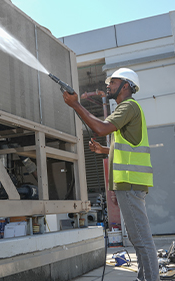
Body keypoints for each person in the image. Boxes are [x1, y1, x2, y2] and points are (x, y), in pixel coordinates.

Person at [62, 68, 159, 281]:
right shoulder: (127, 109)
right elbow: (128, 147)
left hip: (130, 183)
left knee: (141, 239)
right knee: (139, 239)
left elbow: (101, 128)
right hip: (130, 183)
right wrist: (104, 151)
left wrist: (75, 104)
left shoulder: (128, 106)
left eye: (113, 82)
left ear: (126, 85)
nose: (108, 85)